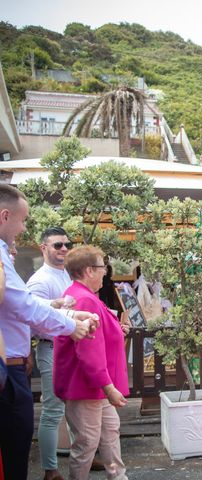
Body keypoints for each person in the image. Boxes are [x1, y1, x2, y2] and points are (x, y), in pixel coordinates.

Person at [0, 183, 98, 480]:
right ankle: (50, 468)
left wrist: (67, 315)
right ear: (5, 216)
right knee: (25, 438)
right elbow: (25, 306)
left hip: (18, 360)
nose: (23, 227)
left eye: (67, 245)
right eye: (23, 219)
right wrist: (72, 325)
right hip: (23, 359)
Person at [54, 245, 129, 480]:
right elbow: (88, 352)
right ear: (89, 270)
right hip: (88, 386)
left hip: (95, 385)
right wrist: (108, 387)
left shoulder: (81, 295)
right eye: (102, 267)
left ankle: (118, 476)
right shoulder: (84, 299)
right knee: (86, 444)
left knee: (109, 433)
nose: (105, 272)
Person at [27, 227, 74, 480]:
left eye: (67, 244)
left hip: (69, 348)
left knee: (76, 408)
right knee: (53, 410)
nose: (64, 249)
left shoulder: (65, 274)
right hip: (52, 348)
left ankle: (82, 456)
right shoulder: (39, 280)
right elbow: (30, 319)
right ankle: (50, 469)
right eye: (58, 245)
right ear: (43, 248)